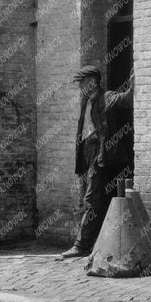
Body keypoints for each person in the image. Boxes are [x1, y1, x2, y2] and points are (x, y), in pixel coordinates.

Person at [58, 65, 130, 260]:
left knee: (92, 200)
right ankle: (97, 243)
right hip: (88, 155)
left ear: (92, 82)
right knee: (92, 200)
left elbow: (125, 100)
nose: (79, 86)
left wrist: (134, 85)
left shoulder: (106, 96)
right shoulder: (87, 101)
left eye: (82, 82)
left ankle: (81, 245)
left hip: (101, 155)